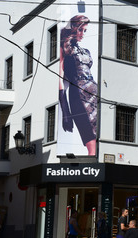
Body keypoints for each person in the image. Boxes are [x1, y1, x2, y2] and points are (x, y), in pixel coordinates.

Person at [59, 15, 98, 156]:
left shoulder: (85, 51)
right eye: (80, 29)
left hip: (94, 96)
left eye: (85, 31)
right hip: (79, 97)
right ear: (74, 28)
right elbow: (60, 78)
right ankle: (92, 172)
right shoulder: (64, 49)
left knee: (98, 139)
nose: (82, 34)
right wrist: (65, 109)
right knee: (91, 142)